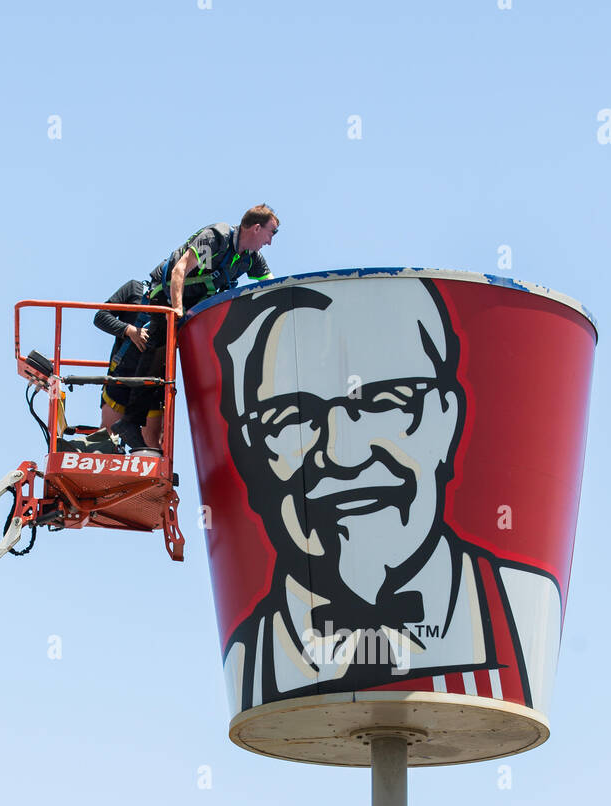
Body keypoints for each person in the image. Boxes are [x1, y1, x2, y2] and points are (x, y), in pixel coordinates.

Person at [213, 277, 562, 719]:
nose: (343, 452)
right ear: (248, 452)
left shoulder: (526, 609)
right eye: (292, 416)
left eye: (385, 401)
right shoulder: (243, 659)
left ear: (446, 420)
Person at [113, 205, 279, 451]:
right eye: (271, 233)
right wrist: (177, 308)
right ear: (256, 228)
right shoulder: (217, 238)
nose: (270, 242)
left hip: (197, 307)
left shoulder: (250, 258)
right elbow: (181, 269)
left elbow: (270, 286)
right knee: (158, 352)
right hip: (168, 298)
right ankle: (129, 422)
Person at [93, 280, 162, 449]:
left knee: (150, 445)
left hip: (152, 383)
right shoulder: (135, 289)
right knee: (108, 439)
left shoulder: (179, 301)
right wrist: (130, 331)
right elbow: (101, 316)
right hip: (122, 376)